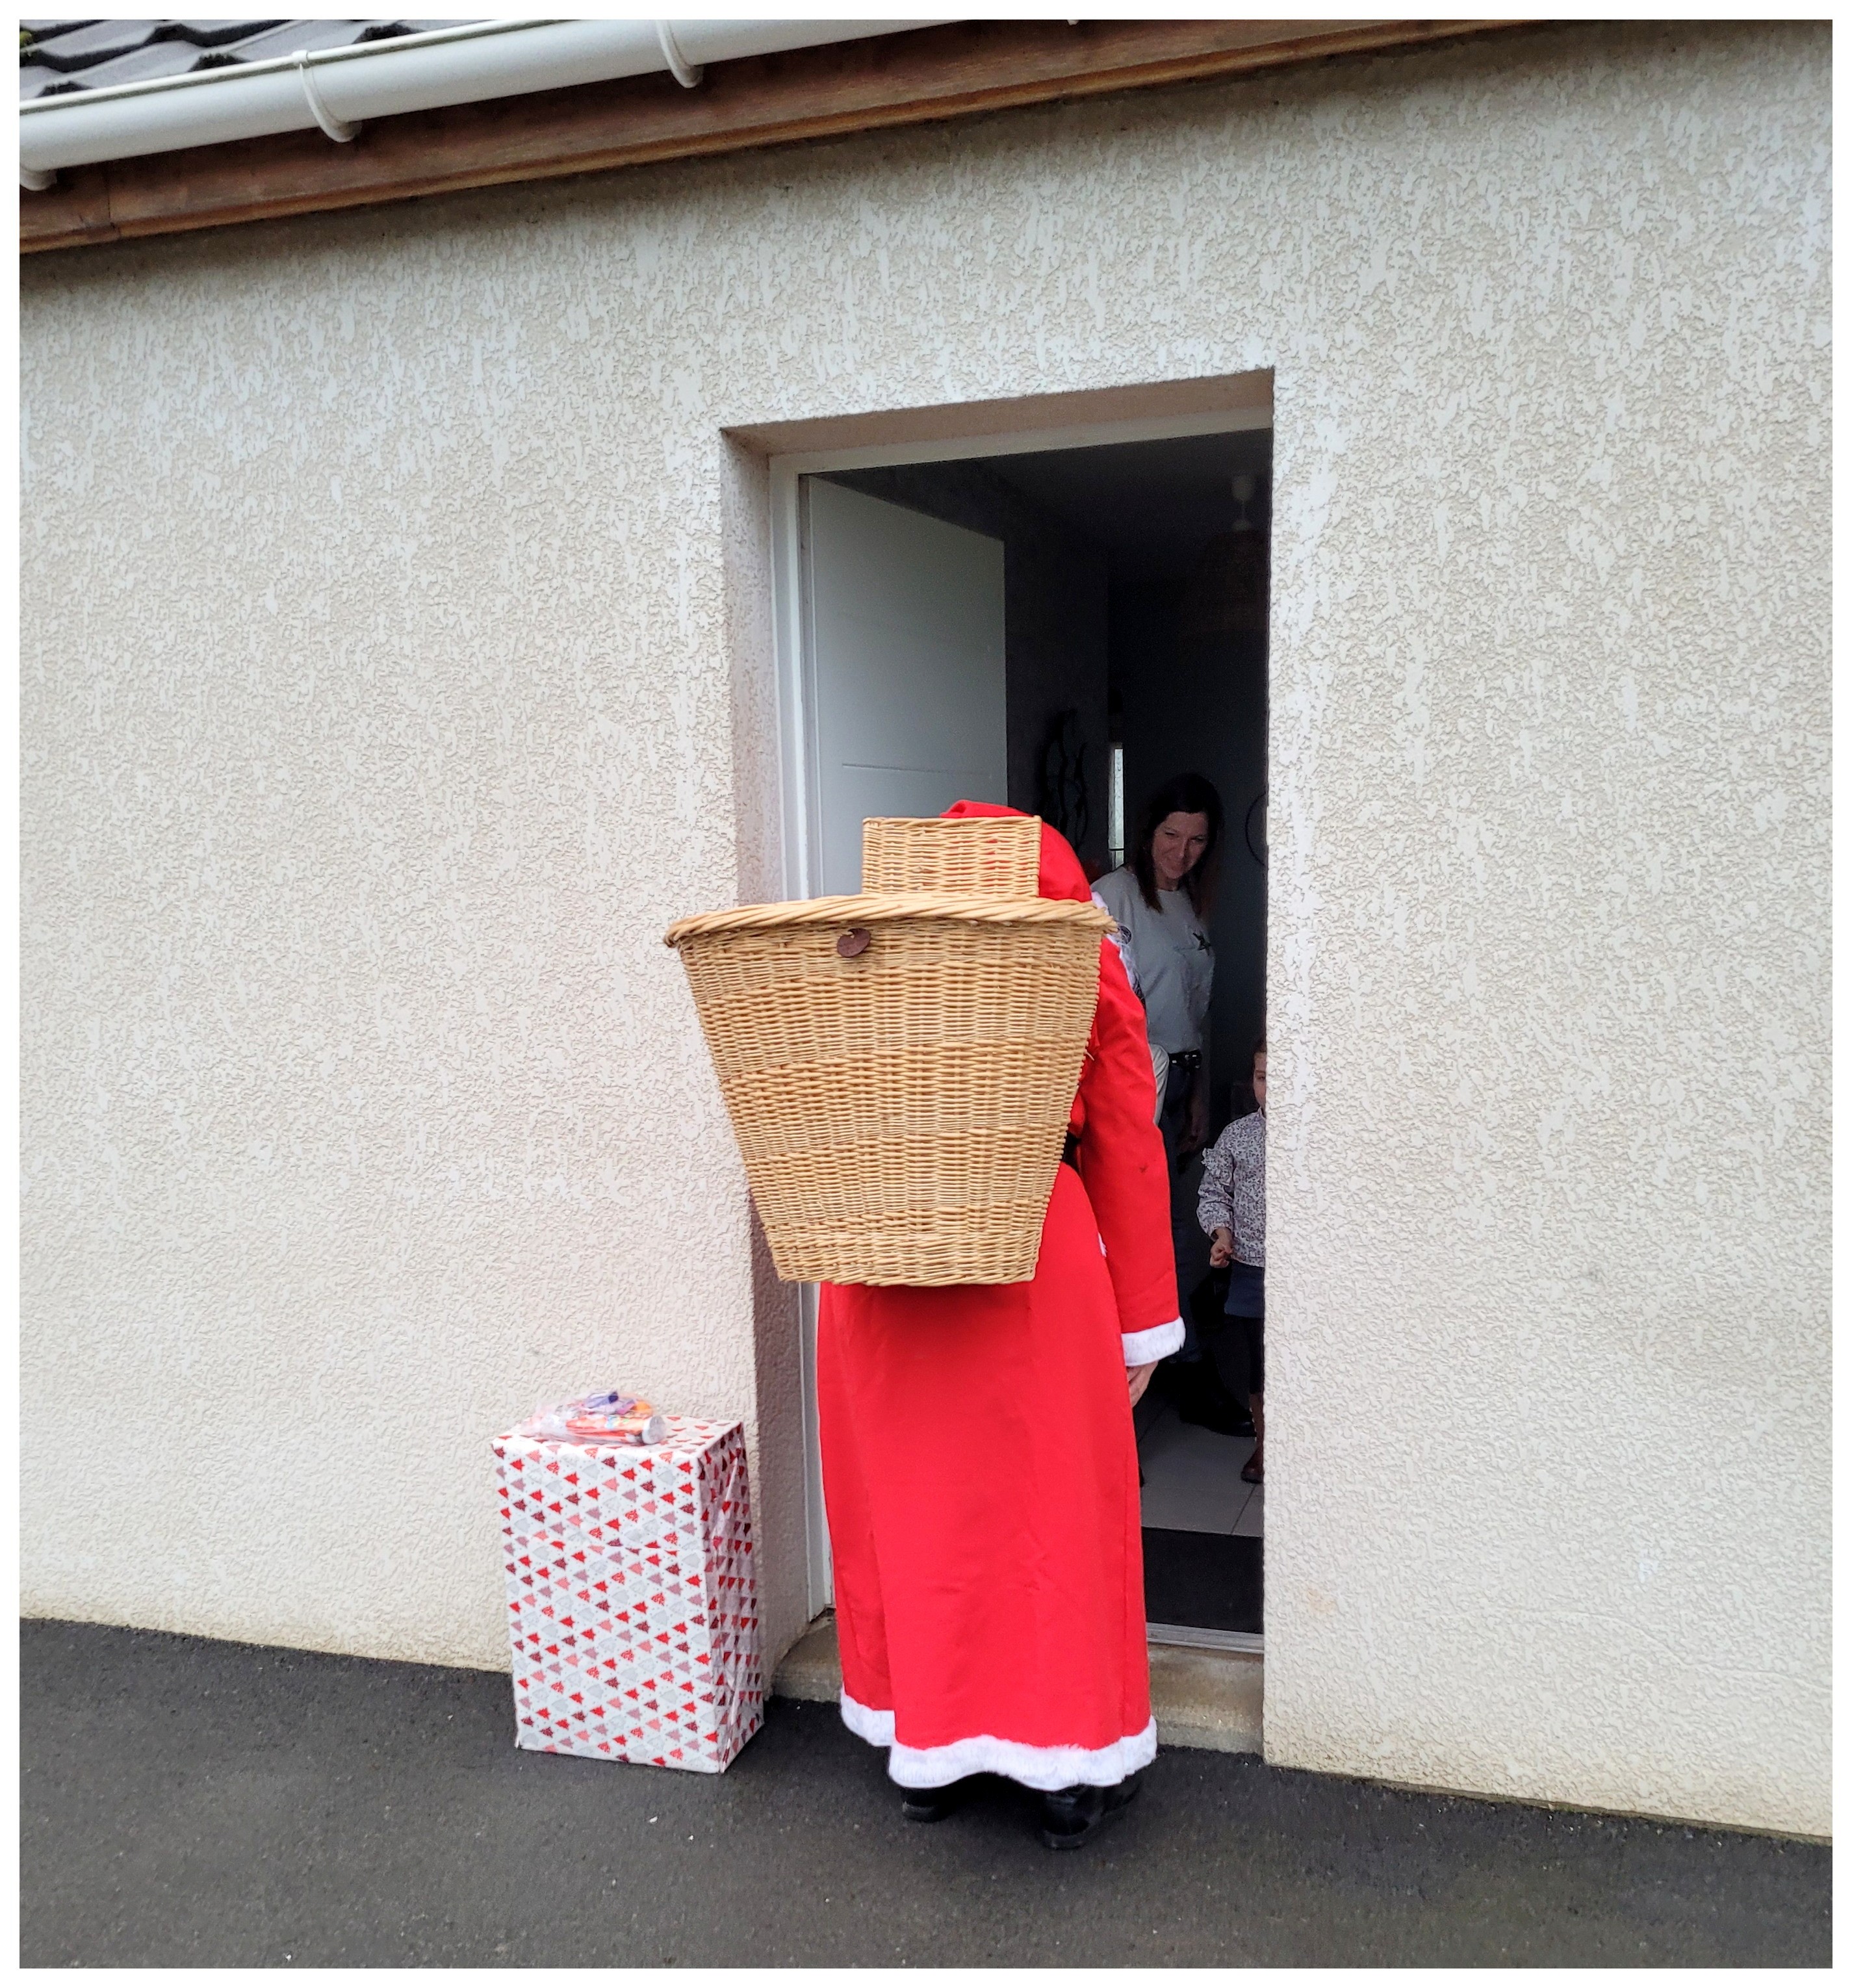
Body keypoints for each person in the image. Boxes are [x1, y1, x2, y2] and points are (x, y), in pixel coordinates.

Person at [817, 800, 1185, 1851]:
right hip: (1031, 1236)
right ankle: (1064, 1765)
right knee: (1054, 1514)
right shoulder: (1071, 936)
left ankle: (927, 1748)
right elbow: (1122, 1103)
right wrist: (1146, 1320)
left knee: (916, 1510)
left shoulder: (856, 953)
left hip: (884, 1251)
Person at [1092, 774, 1246, 1434]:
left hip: (1182, 1079)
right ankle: (1120, 1390)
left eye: (1197, 840)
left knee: (1187, 1232)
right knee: (1134, 1226)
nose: (1181, 853)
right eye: (1170, 835)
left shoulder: (1194, 906)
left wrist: (1197, 1101)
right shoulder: (1112, 898)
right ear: (1148, 830)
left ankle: (1178, 1365)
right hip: (1136, 1081)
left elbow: (1196, 1013)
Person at [1198, 1039, 1267, 1484]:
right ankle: (1265, 1443)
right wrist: (1222, 1234)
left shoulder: (1321, 1138)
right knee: (1258, 1365)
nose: (1272, 1089)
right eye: (1264, 1079)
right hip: (1250, 1268)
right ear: (1251, 1082)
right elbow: (1214, 1193)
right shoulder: (1238, 1136)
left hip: (1302, 1275)